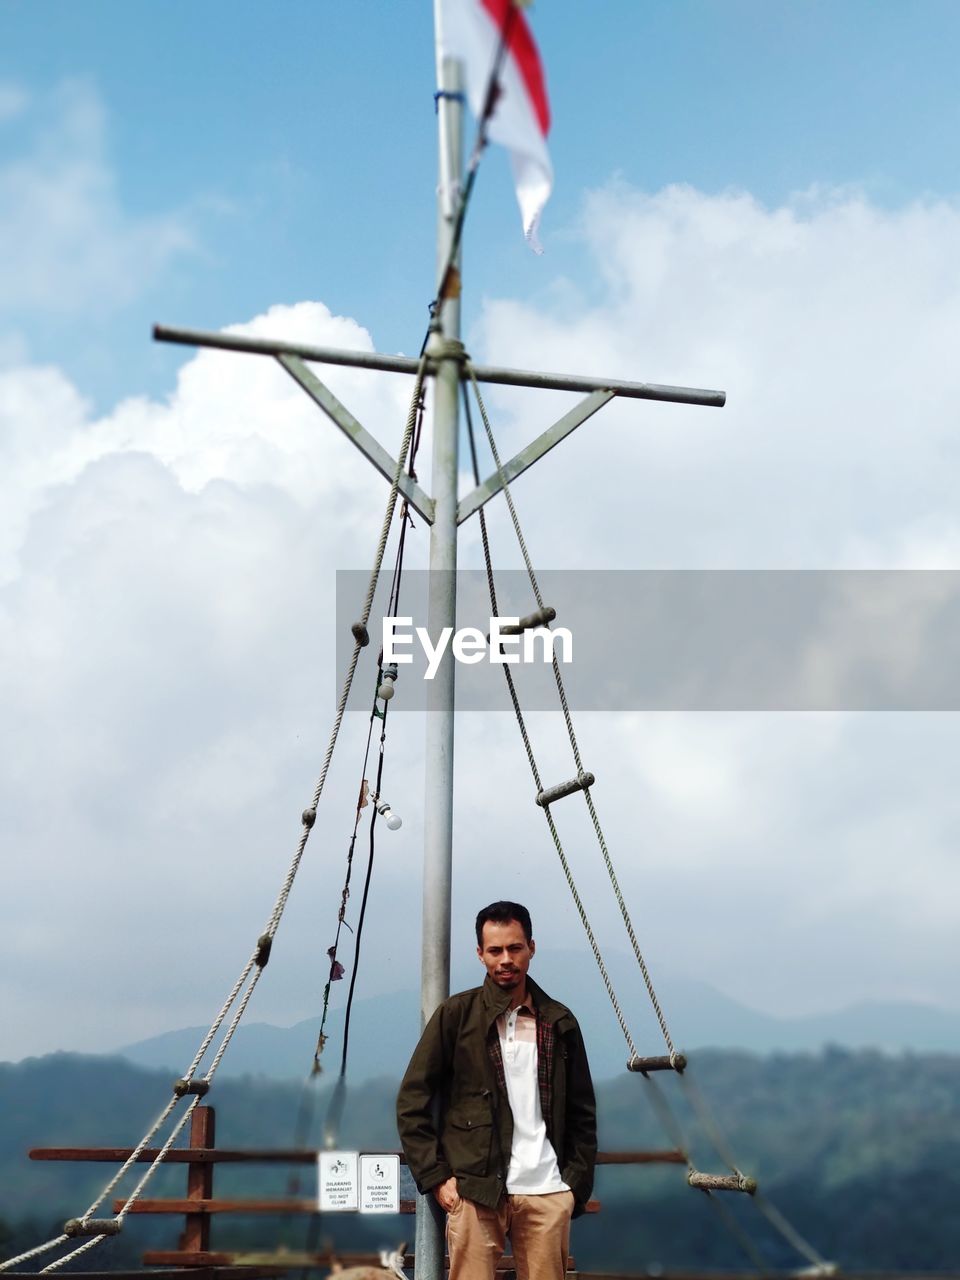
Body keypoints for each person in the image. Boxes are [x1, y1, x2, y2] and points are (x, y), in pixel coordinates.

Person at [396, 900, 597, 1280]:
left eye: (514, 948)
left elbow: (582, 1113)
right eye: (495, 950)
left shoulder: (559, 1022)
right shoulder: (457, 1016)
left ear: (531, 948)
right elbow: (411, 1102)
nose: (506, 959)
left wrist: (573, 1188)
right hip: (475, 1192)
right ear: (480, 954)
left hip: (547, 1190)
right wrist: (438, 1180)